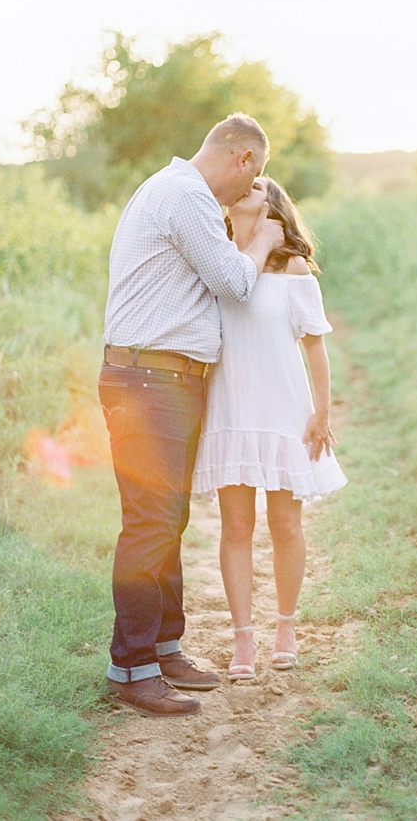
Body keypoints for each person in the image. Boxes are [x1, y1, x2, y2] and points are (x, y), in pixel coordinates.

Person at [99, 113, 284, 717]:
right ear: (244, 161)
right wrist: (263, 242)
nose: (246, 193)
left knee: (168, 518)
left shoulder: (175, 191)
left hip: (161, 381)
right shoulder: (187, 195)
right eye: (252, 179)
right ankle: (131, 668)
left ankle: (162, 647)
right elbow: (234, 282)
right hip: (150, 382)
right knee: (151, 521)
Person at [192, 176, 347, 680]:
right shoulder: (214, 259)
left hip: (285, 413)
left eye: (257, 182)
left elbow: (315, 345)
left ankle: (285, 627)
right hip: (231, 413)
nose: (244, 184)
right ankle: (242, 641)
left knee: (285, 526)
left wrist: (321, 412)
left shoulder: (292, 267)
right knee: (236, 528)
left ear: (272, 204)